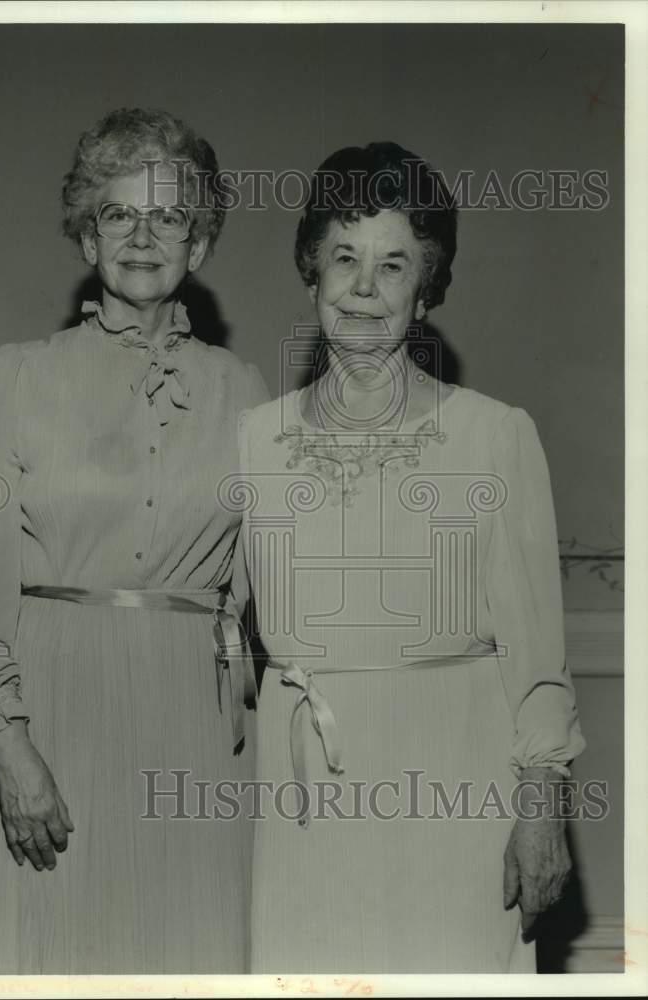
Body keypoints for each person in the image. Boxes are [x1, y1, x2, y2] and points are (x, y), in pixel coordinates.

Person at [234, 141, 586, 972]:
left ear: (425, 289)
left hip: (455, 793)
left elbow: (538, 660)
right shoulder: (255, 441)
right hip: (305, 805)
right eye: (344, 258)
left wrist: (542, 806)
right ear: (310, 273)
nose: (363, 287)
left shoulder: (496, 435)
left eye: (393, 266)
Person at [0, 107, 268, 974]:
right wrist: (8, 746)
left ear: (198, 246)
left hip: (198, 727)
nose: (142, 236)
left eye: (167, 216)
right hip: (54, 717)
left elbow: (278, 579)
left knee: (196, 956)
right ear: (88, 237)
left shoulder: (245, 390)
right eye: (118, 213)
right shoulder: (20, 374)